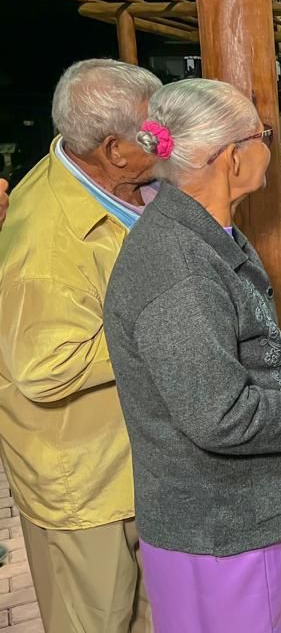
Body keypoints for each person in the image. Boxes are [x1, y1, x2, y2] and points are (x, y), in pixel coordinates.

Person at [102, 78, 281, 633]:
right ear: (231, 156)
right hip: (226, 527)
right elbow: (222, 417)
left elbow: (211, 371)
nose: (271, 146)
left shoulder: (195, 235)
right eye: (263, 133)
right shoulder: (181, 267)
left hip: (228, 520)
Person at [0, 59, 161, 632]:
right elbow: (43, 367)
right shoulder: (47, 242)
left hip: (127, 467)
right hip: (85, 487)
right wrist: (165, 335)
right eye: (158, 131)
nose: (169, 140)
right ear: (115, 149)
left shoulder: (111, 183)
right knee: (96, 622)